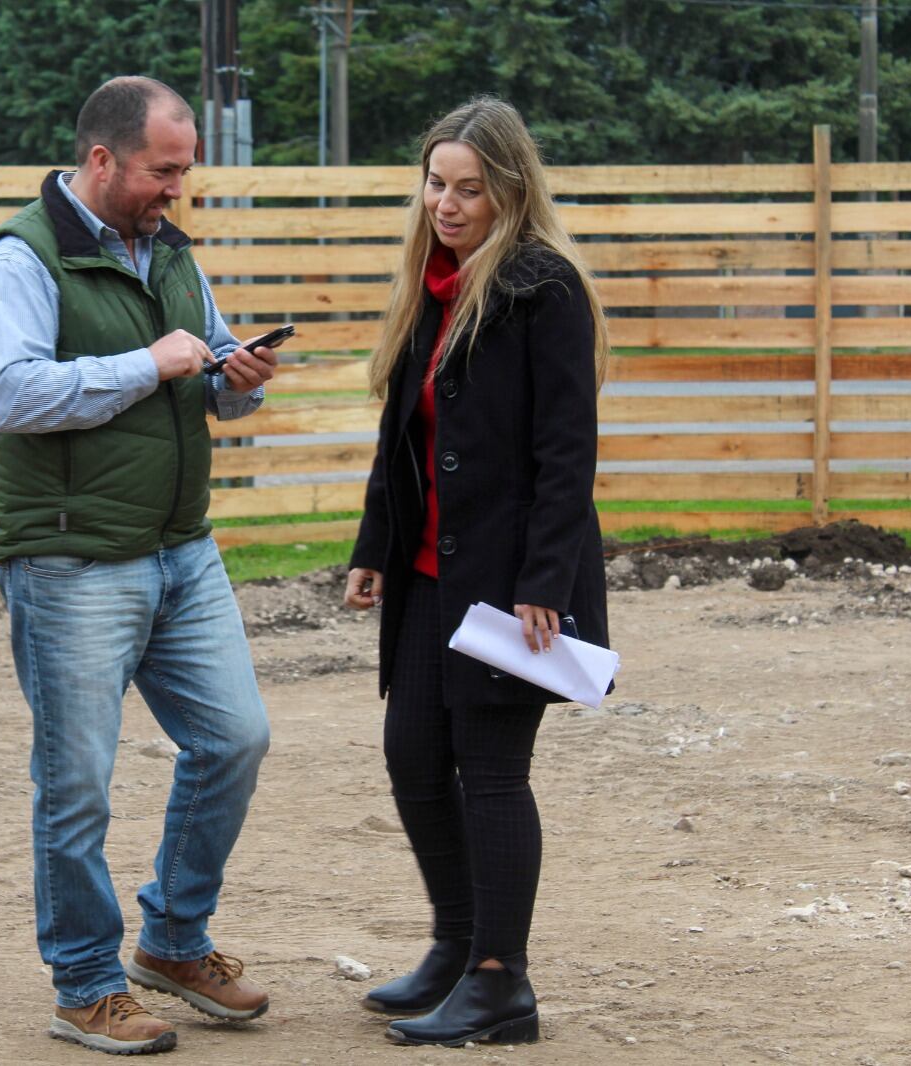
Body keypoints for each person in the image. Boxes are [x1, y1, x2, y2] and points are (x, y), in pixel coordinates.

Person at [0, 76, 278, 1057]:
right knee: (76, 787)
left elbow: (201, 370)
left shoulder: (170, 250)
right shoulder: (18, 257)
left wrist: (236, 379)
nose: (176, 188)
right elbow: (10, 394)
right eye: (162, 170)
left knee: (234, 741)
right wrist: (154, 362)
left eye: (183, 170)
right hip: (69, 561)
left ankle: (173, 942)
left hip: (181, 549)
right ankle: (86, 986)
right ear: (101, 159)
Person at [342, 96, 611, 1048]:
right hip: (425, 578)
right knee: (414, 758)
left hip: (512, 585)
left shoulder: (544, 288)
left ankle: (503, 983)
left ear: (509, 190)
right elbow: (402, 440)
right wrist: (376, 546)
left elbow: (565, 451)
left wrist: (546, 578)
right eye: (435, 184)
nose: (445, 204)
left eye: (468, 189)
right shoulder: (434, 282)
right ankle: (456, 948)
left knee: (492, 774)